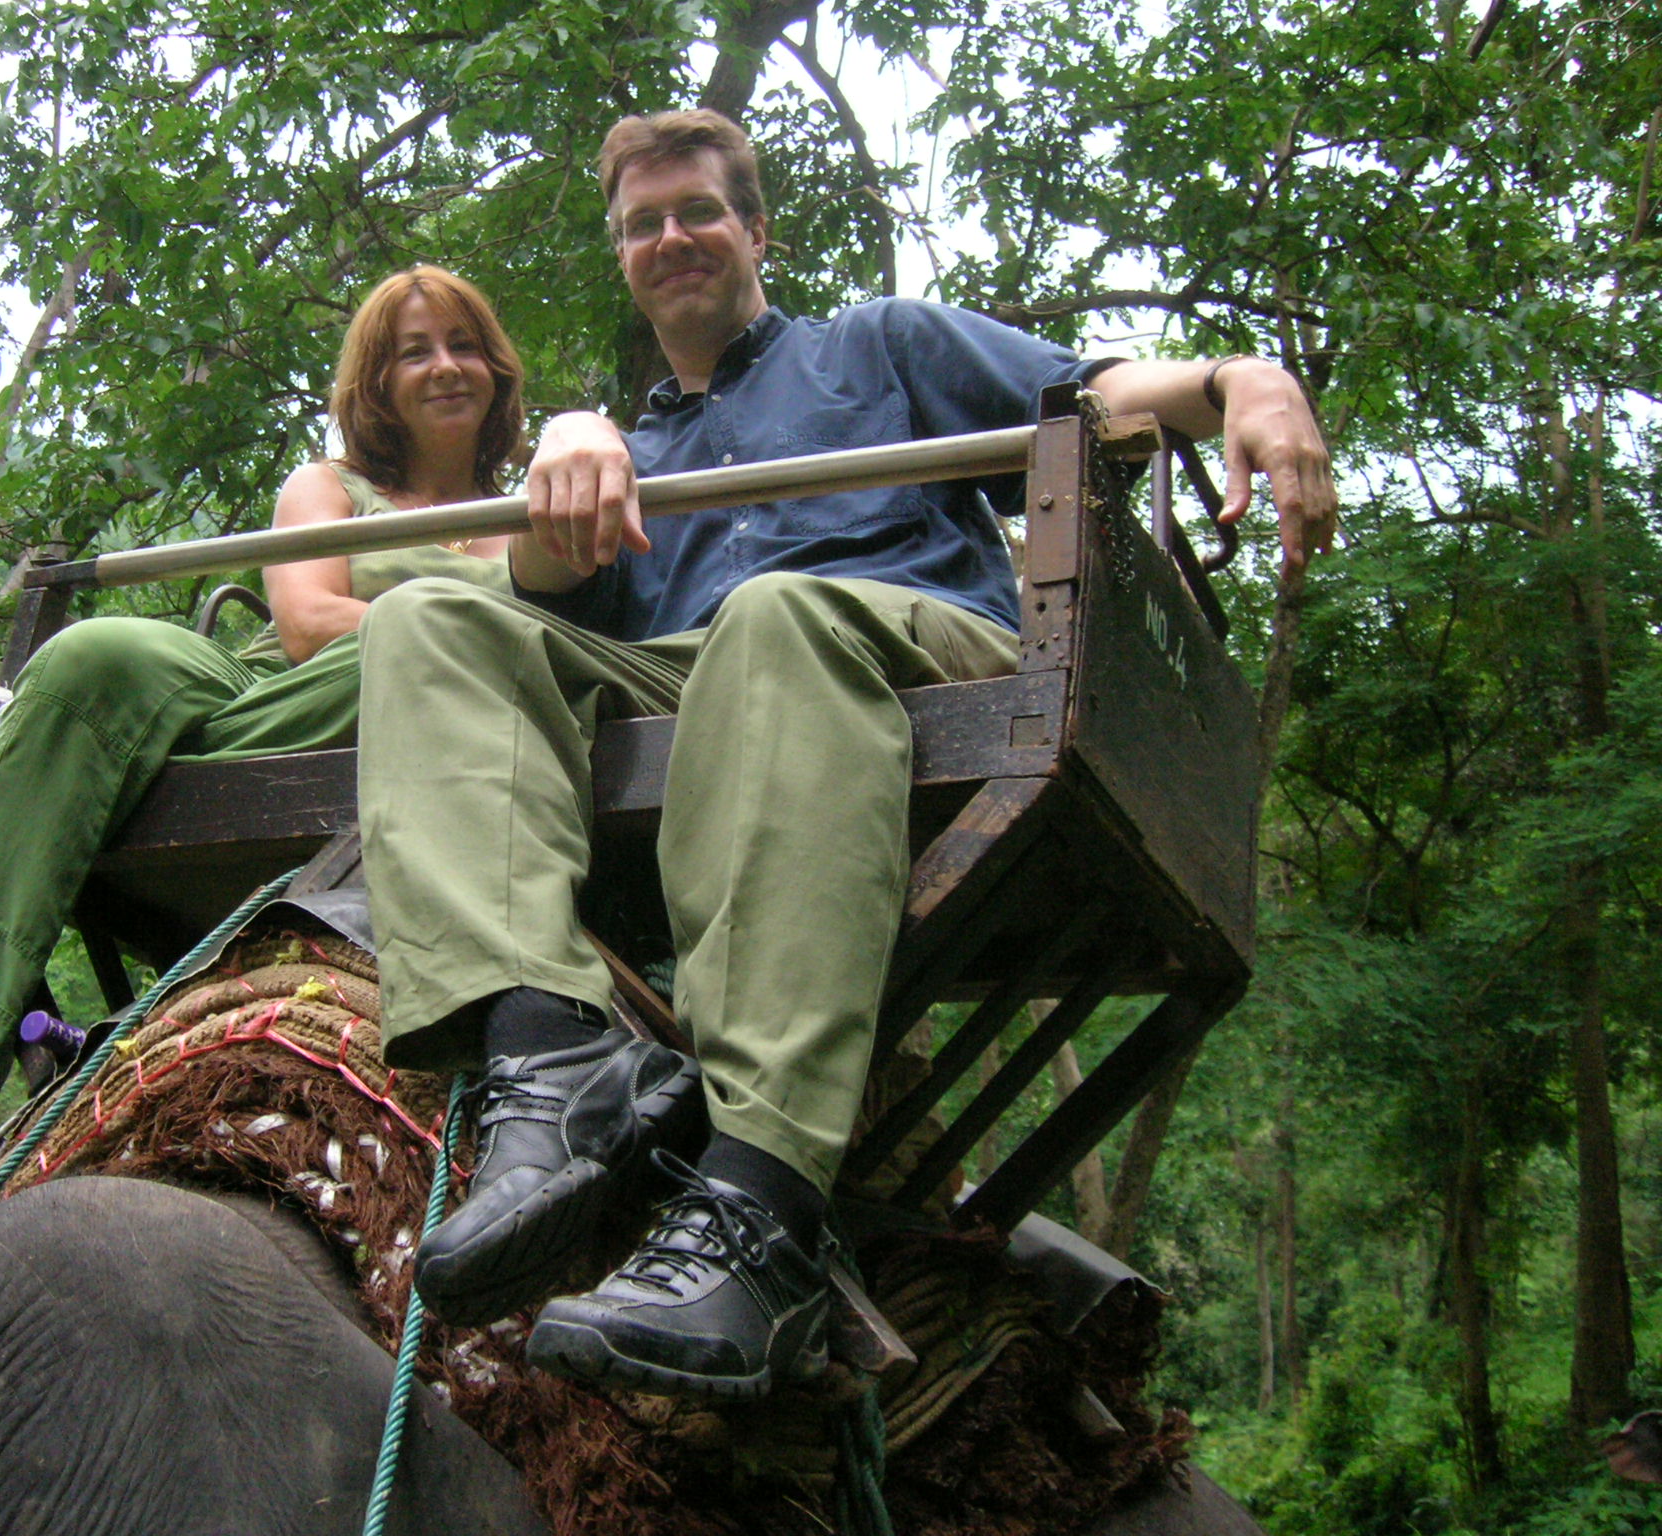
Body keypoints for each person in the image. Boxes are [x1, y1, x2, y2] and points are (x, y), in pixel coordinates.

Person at [358, 110, 1338, 1400]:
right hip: (703, 684)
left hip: (914, 652)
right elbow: (538, 593)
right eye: (643, 224)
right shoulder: (631, 456)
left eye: (698, 210)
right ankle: (548, 1061)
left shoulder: (877, 345)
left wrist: (1236, 381)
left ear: (755, 231)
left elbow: (1094, 396)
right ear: (624, 260)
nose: (671, 238)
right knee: (425, 621)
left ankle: (758, 1213)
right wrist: (572, 439)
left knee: (774, 620)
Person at [0, 266, 524, 1203]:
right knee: (93, 653)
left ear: (497, 369)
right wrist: (437, 630)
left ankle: (58, 745)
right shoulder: (332, 486)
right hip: (270, 689)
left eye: (464, 345)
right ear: (377, 383)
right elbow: (306, 622)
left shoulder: (527, 521)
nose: (446, 366)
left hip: (413, 718)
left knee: (440, 651)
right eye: (414, 352)